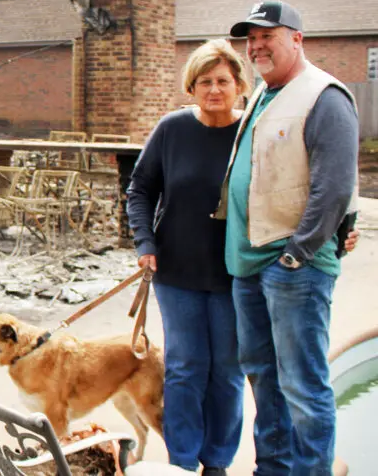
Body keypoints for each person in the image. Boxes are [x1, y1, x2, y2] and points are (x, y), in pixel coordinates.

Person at [213, 0, 360, 476]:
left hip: (293, 268)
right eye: (251, 39)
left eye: (267, 36)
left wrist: (296, 256)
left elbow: (333, 187)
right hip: (250, 267)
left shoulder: (325, 97)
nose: (256, 46)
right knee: (263, 378)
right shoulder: (263, 93)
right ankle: (274, 468)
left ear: (297, 39)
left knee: (302, 384)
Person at [127, 39, 250, 474]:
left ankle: (216, 461)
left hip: (236, 274)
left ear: (238, 85)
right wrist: (145, 243)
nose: (214, 89)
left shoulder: (252, 130)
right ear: (191, 86)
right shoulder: (172, 129)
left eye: (222, 81)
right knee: (184, 368)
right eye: (204, 82)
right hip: (176, 271)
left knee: (227, 373)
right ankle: (180, 461)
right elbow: (140, 190)